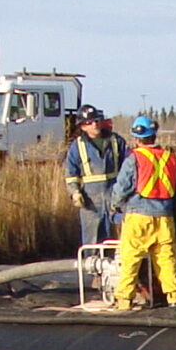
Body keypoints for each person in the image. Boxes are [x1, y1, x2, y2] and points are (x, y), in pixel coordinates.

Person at [109, 115, 176, 308]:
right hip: (165, 217)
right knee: (166, 259)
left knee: (131, 258)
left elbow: (122, 187)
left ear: (136, 137)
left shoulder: (134, 158)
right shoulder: (170, 158)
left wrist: (115, 205)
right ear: (154, 135)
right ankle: (174, 297)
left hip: (138, 216)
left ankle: (124, 300)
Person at [63, 107, 129, 249]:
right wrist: (75, 192)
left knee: (116, 240)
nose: (95, 124)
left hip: (115, 197)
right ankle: (92, 270)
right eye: (90, 122)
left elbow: (129, 168)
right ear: (83, 126)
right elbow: (71, 174)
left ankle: (116, 270)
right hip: (90, 202)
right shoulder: (77, 146)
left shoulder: (116, 141)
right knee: (91, 241)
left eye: (97, 120)